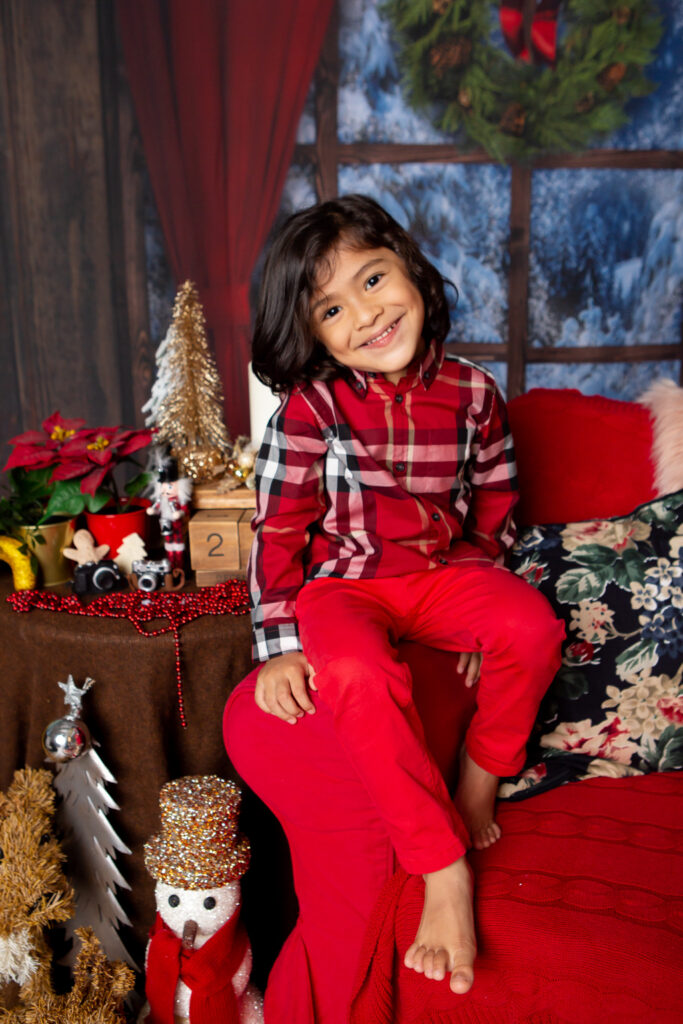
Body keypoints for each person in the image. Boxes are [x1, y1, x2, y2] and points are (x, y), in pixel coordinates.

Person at [224, 194, 564, 1017]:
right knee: (355, 676)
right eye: (332, 309)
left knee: (530, 625)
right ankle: (438, 862)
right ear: (313, 335)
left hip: (441, 576)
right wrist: (280, 647)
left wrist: (480, 598)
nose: (366, 314)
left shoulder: (475, 392)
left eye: (373, 280)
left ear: (409, 268)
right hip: (344, 588)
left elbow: (495, 508)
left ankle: (479, 780)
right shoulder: (309, 410)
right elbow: (278, 534)